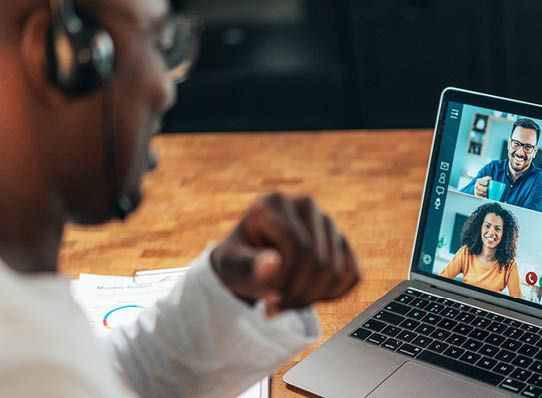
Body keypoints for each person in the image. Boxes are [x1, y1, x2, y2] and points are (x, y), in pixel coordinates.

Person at [0, 1, 359, 397]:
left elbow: (99, 382)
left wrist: (225, 292)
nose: (165, 89)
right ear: (60, 56)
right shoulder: (25, 367)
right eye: (156, 42)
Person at [461, 118, 542, 213]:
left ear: (535, 151)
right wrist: (474, 192)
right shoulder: (491, 169)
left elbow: (528, 221)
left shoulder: (539, 181)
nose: (520, 153)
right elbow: (460, 198)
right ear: (509, 143)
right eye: (516, 144)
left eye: (528, 147)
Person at [439, 202, 522, 298]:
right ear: (480, 228)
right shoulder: (466, 252)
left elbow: (517, 299)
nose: (491, 232)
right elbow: (442, 280)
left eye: (497, 229)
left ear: (504, 234)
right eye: (487, 226)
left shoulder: (509, 264)